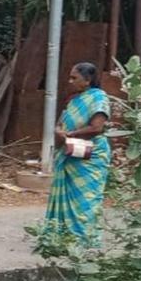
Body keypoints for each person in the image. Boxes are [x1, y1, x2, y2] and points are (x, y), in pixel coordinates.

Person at [45, 62, 111, 245]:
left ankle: (85, 238)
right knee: (68, 194)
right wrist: (59, 131)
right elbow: (61, 122)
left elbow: (97, 127)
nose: (70, 81)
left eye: (74, 77)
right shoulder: (74, 100)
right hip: (71, 153)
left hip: (92, 155)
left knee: (87, 198)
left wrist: (70, 134)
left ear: (87, 80)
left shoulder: (99, 98)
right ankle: (63, 237)